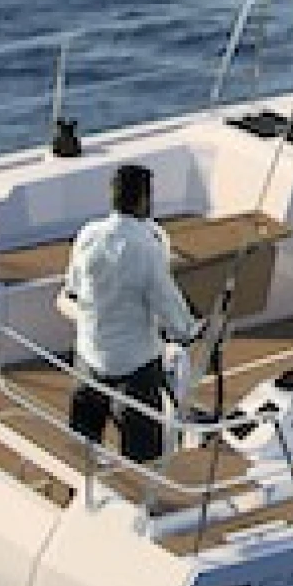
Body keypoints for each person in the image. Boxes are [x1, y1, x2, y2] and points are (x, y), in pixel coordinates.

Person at [61, 163, 200, 464]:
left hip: (89, 356)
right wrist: (189, 330)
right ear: (143, 200)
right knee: (142, 451)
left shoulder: (87, 236)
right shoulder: (148, 248)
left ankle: (79, 480)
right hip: (134, 365)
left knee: (84, 441)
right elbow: (168, 305)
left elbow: (74, 287)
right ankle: (139, 482)